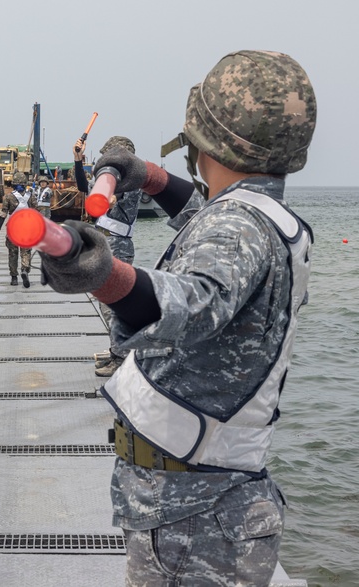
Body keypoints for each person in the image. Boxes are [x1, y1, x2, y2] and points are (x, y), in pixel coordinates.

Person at [39, 50, 315, 585]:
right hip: (201, 504)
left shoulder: (239, 226)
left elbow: (194, 299)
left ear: (203, 134)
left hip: (195, 519)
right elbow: (202, 218)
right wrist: (150, 177)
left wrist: (98, 272)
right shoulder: (259, 215)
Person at [74, 135, 143, 376]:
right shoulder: (113, 179)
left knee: (112, 304)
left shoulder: (131, 181)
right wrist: (77, 161)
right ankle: (118, 351)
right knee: (107, 302)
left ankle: (122, 356)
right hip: (106, 242)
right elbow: (85, 188)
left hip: (118, 246)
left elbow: (114, 197)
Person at [0, 171, 35, 287]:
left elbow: (3, 214)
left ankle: (14, 278)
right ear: (25, 184)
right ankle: (25, 270)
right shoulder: (31, 196)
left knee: (13, 253)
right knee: (26, 252)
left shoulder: (8, 197)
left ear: (13, 184)